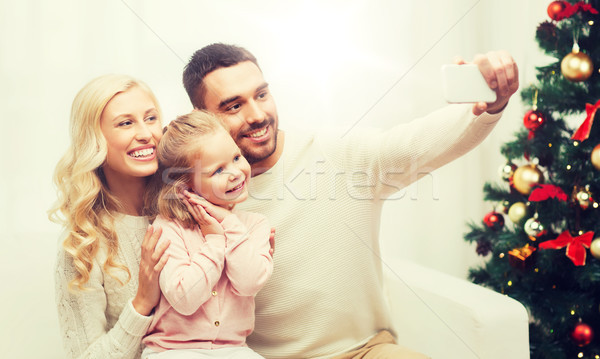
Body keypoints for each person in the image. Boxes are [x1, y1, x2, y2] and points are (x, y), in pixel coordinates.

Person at [181, 43, 519, 358]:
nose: (257, 115)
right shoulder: (195, 196)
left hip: (365, 351)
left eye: (262, 95)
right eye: (234, 106)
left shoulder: (337, 153)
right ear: (201, 116)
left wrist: (490, 102)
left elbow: (422, 142)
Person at [50, 74, 171, 359]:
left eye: (151, 118)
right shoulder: (82, 244)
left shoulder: (185, 209)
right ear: (95, 140)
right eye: (126, 123)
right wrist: (141, 303)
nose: (145, 134)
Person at [141, 111, 273, 358]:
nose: (235, 172)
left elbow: (249, 283)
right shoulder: (169, 227)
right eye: (218, 170)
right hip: (174, 350)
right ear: (186, 187)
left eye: (236, 157)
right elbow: (184, 300)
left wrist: (227, 222)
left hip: (233, 349)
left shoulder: (255, 225)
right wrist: (213, 240)